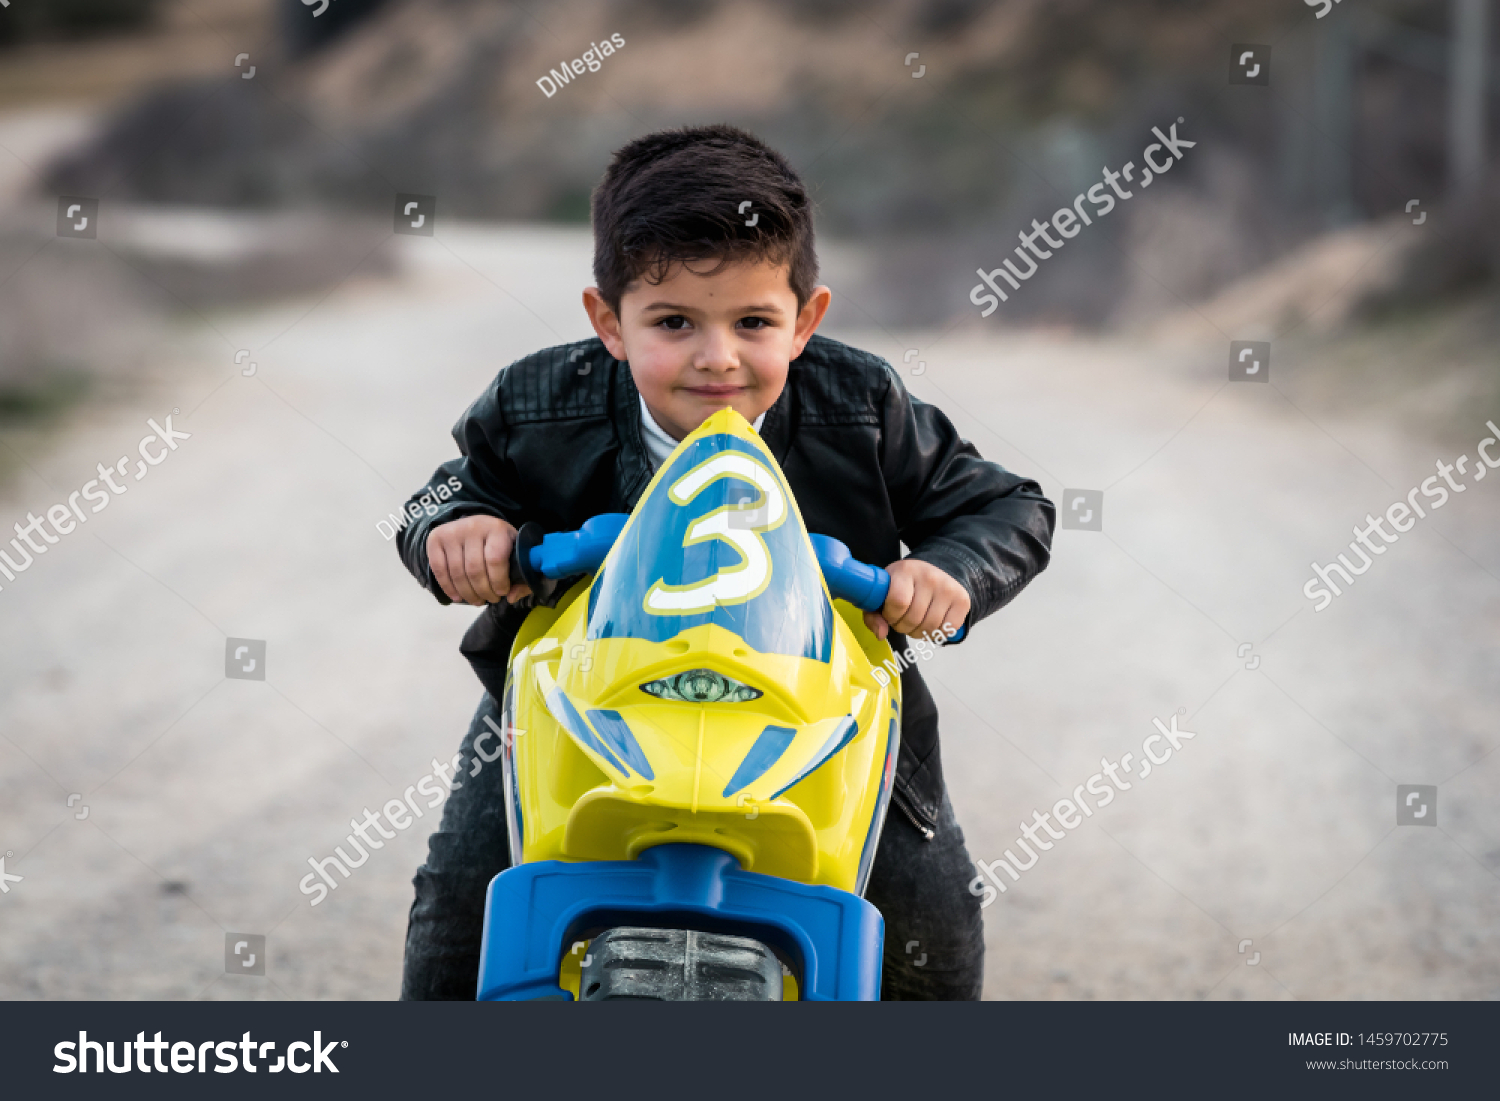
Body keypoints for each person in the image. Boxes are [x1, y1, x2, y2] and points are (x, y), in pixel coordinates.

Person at [394, 123, 1055, 1000]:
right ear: (609, 321)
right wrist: (462, 528)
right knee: (458, 905)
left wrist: (946, 574)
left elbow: (1010, 506)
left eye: (754, 322)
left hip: (819, 711)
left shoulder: (858, 404)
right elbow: (435, 499)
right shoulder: (536, 401)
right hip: (577, 697)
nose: (718, 357)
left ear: (806, 319)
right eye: (673, 322)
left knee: (932, 922)